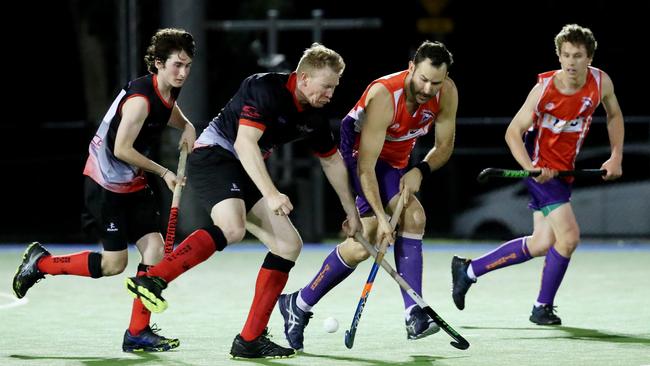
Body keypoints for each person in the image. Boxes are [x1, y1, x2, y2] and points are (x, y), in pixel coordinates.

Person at [124, 43, 361, 359]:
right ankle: (154, 280)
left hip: (247, 167)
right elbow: (244, 143)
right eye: (326, 86)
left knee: (288, 244)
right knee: (232, 228)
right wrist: (271, 193)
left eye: (335, 87)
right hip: (215, 155)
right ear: (304, 78)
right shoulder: (264, 86)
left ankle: (250, 339)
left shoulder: (315, 116)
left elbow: (331, 162)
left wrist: (352, 212)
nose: (331, 94)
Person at [12, 28, 197, 352]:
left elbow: (169, 111)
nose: (182, 73)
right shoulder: (140, 101)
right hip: (106, 184)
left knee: (153, 249)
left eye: (187, 66)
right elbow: (122, 148)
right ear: (158, 63)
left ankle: (137, 333)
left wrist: (188, 126)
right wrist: (164, 171)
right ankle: (41, 264)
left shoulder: (167, 89)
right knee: (114, 265)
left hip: (134, 182)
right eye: (176, 65)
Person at [278, 40, 458, 350]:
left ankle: (298, 303)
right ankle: (414, 313)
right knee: (412, 217)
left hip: (397, 164)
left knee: (364, 246)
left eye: (436, 82)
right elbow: (366, 166)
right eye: (423, 79)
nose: (428, 88)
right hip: (360, 157)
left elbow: (444, 146)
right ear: (412, 68)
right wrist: (382, 214)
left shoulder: (447, 93)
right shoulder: (385, 96)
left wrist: (421, 171)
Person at [451, 24, 624, 325]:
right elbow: (513, 133)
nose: (571, 62)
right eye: (566, 55)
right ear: (558, 56)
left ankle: (468, 271)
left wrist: (616, 155)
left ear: (590, 57)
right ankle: (541, 307)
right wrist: (530, 167)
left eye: (578, 56)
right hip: (541, 166)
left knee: (543, 243)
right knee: (568, 238)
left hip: (564, 168)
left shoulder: (600, 82)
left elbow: (614, 115)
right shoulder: (544, 89)